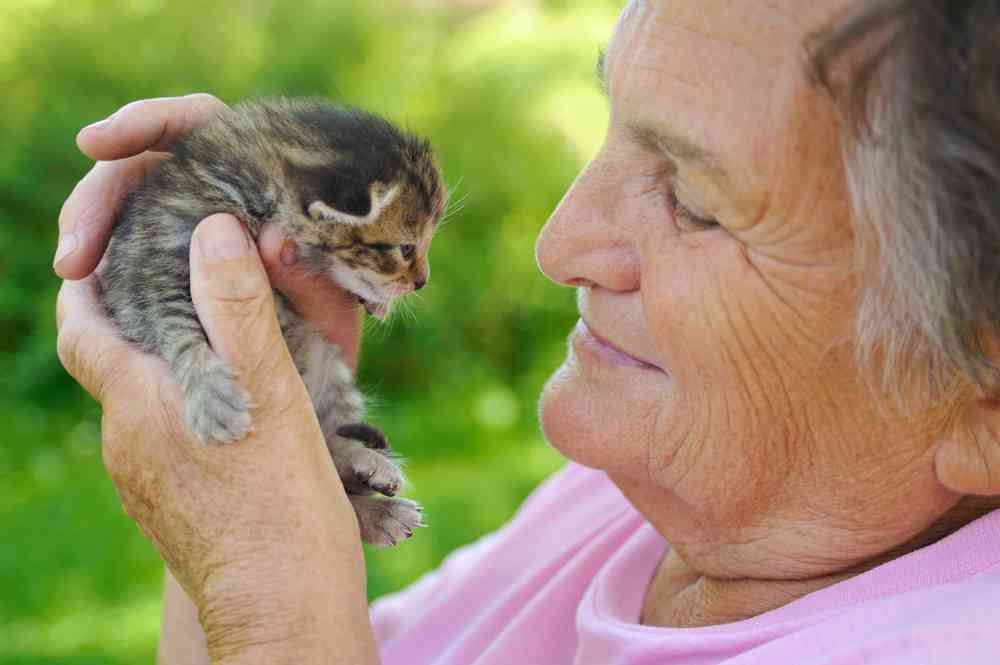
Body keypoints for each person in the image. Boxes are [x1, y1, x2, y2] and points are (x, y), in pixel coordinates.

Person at [55, 0, 1000, 663]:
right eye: (616, 128)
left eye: (696, 201)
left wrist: (268, 595)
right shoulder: (629, 500)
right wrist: (256, 401)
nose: (561, 243)